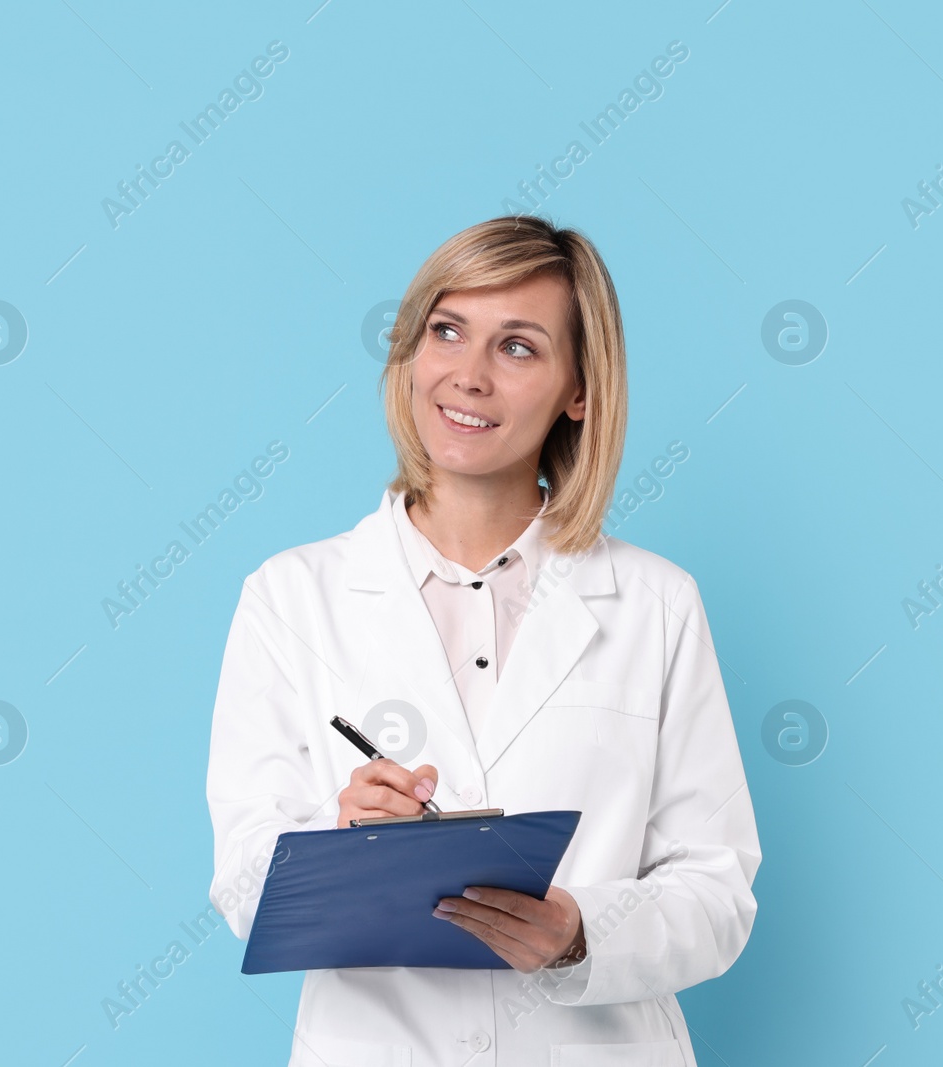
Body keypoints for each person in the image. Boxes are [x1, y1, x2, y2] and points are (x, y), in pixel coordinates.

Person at [205, 215, 760, 1067]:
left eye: (519, 348)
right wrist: (340, 835)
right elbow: (243, 883)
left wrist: (581, 934)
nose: (468, 376)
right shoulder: (291, 597)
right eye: (448, 331)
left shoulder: (657, 603)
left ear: (580, 390)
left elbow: (717, 891)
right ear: (412, 353)